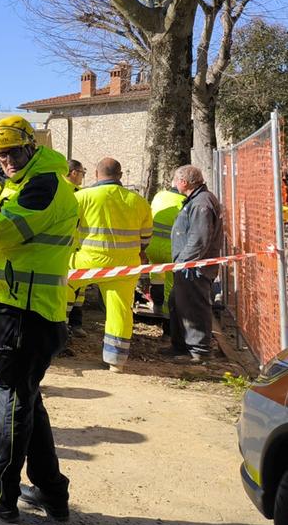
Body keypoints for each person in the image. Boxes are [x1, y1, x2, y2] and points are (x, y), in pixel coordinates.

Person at [0, 115, 78, 523]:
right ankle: (50, 491)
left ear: (31, 146)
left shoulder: (42, 186)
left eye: (11, 151)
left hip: (25, 311)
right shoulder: (25, 183)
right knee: (27, 398)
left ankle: (1, 493)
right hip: (21, 307)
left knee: (11, 400)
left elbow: (1, 231)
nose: (5, 159)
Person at [67, 158, 152, 371]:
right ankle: (116, 361)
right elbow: (146, 238)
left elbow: (67, 229)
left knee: (62, 290)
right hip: (125, 265)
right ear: (120, 176)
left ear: (96, 175)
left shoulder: (82, 197)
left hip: (86, 262)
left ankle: (59, 339)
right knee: (120, 310)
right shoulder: (138, 201)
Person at [164, 165, 223, 363]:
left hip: (193, 269)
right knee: (177, 304)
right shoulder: (197, 201)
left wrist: (183, 263)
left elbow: (199, 239)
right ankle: (179, 346)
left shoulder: (201, 204)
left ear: (183, 182)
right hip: (187, 268)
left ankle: (199, 352)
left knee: (193, 307)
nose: (173, 184)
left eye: (175, 180)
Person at [147, 186, 187, 317]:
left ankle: (157, 306)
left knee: (157, 277)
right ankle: (168, 321)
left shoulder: (160, 195)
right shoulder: (185, 201)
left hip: (152, 246)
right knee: (171, 284)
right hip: (171, 249)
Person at [65, 159, 86, 338]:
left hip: (73, 249)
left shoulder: (56, 189)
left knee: (78, 290)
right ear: (73, 172)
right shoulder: (75, 194)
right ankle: (68, 327)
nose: (82, 177)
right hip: (71, 249)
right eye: (82, 173)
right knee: (70, 289)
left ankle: (74, 324)